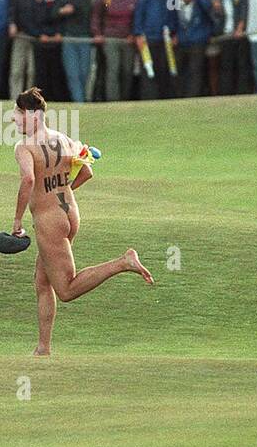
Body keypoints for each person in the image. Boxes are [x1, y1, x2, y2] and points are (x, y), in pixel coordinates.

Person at [10, 87, 153, 356]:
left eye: (18, 114)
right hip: (69, 213)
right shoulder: (64, 139)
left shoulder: (24, 147)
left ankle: (124, 262)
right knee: (43, 281)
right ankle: (43, 348)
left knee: (65, 288)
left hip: (49, 221)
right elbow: (86, 171)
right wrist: (62, 191)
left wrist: (17, 220)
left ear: (33, 115)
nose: (14, 119)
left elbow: (28, 180)